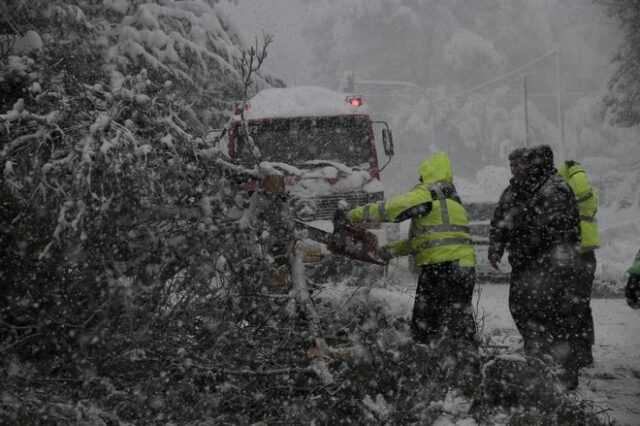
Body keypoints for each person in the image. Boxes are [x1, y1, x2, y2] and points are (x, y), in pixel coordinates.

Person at [345, 151, 477, 347]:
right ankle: (465, 361)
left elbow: (390, 209)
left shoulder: (427, 194)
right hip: (464, 269)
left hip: (440, 268)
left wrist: (354, 215)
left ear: (429, 173)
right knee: (460, 320)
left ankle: (427, 363)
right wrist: (391, 250)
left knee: (425, 325)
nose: (420, 179)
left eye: (422, 175)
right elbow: (426, 241)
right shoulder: (453, 203)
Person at [512, 144, 583, 389]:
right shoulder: (540, 188)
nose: (526, 169)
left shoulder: (555, 189)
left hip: (554, 270)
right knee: (539, 319)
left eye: (530, 164)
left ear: (540, 164)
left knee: (557, 322)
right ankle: (545, 369)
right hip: (544, 268)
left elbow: (555, 231)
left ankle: (562, 376)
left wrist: (529, 240)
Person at [488, 148, 535, 350]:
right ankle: (533, 342)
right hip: (520, 260)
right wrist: (495, 250)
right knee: (517, 306)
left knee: (542, 308)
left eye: (520, 164)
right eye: (513, 166)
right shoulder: (509, 194)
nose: (516, 169)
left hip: (543, 262)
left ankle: (541, 346)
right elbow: (499, 224)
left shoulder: (541, 190)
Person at [557, 160, 600, 367]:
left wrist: (576, 171)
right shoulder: (580, 197)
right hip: (581, 254)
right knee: (578, 305)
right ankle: (581, 350)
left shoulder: (580, 195)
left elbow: (581, 190)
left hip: (580, 255)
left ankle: (580, 352)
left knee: (576, 306)